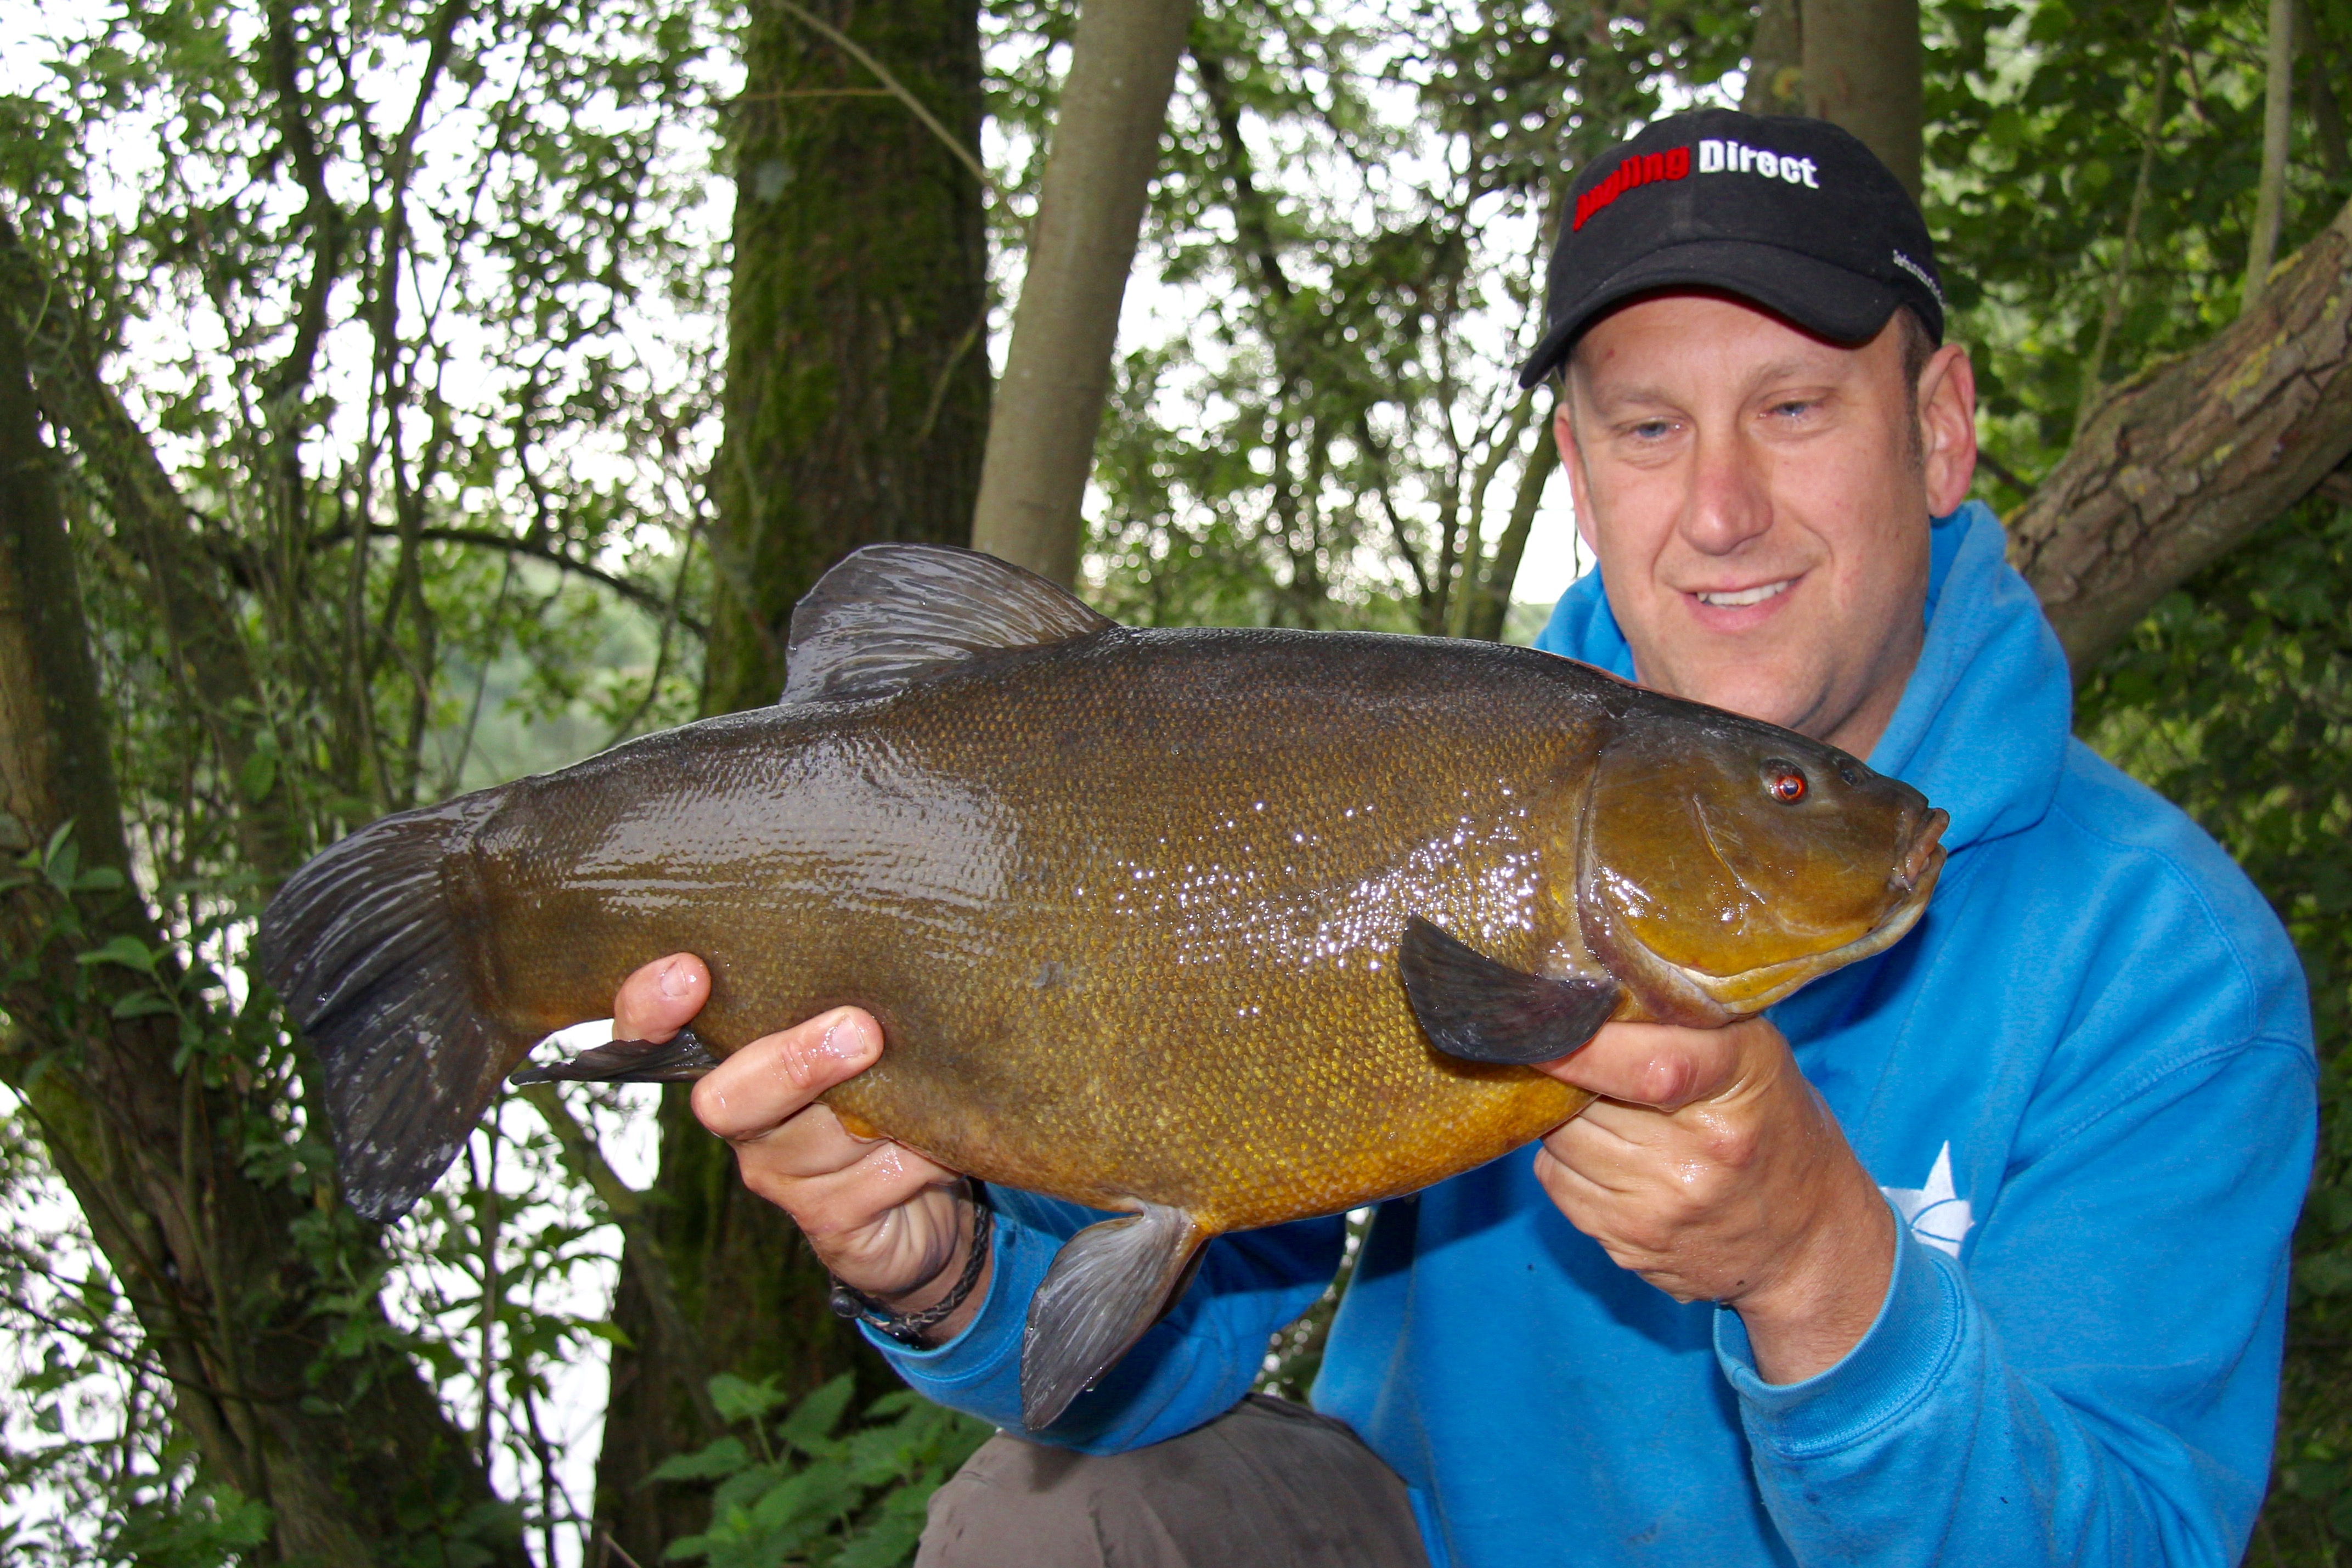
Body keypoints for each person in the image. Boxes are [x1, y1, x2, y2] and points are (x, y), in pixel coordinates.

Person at [611, 109, 2316, 1565]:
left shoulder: (2163, 960)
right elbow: (1181, 1328)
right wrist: (949, 1266)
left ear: (1938, 428)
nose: (1718, 508)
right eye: (1649, 427)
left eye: (1795, 409)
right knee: (1054, 1520)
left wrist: (1819, 1269)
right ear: (1580, 467)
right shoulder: (1427, 777)